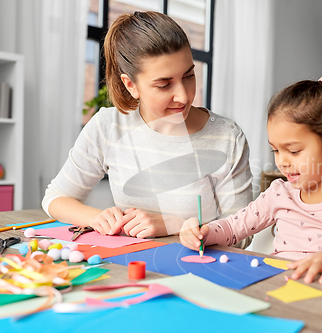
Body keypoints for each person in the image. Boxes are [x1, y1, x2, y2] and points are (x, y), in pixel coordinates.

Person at [42, 11, 253, 248]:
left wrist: (173, 225)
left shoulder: (226, 137)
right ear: (131, 85)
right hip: (128, 267)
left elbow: (242, 233)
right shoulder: (108, 126)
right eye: (164, 84)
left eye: (189, 75)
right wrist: (97, 217)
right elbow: (55, 198)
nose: (183, 96)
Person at [180, 71, 322, 284]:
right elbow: (231, 229)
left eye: (293, 151)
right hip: (280, 294)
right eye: (275, 150)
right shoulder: (279, 193)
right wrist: (204, 232)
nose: (282, 162)